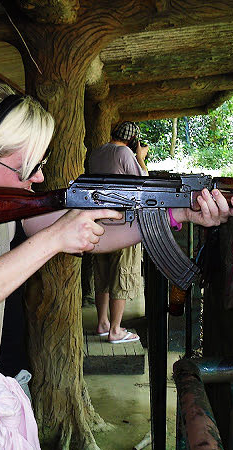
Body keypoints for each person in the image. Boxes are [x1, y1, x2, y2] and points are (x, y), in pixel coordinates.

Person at [0, 83, 233, 427]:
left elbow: (92, 235)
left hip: (5, 393)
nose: (39, 177)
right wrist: (56, 237)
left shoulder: (4, 205)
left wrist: (176, 213)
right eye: (29, 167)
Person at [86, 122, 146, 344]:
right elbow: (142, 182)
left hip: (99, 221)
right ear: (132, 140)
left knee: (102, 276)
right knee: (122, 274)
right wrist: (140, 157)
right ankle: (116, 330)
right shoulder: (124, 152)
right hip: (122, 223)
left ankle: (102, 323)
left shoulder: (97, 153)